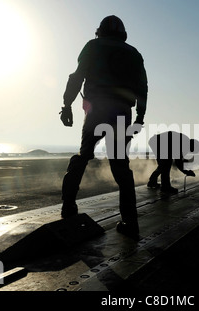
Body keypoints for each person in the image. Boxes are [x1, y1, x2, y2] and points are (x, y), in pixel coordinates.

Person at [59, 15, 148, 239]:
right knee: (120, 166)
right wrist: (140, 117)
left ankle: (68, 209)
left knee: (82, 157)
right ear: (123, 34)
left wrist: (67, 105)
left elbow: (77, 77)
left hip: (96, 109)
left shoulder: (93, 45)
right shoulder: (134, 53)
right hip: (121, 113)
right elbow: (142, 88)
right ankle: (130, 222)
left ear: (100, 31)